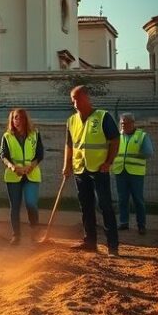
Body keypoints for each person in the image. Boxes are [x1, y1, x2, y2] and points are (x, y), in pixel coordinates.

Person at [62, 85, 120, 256]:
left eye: (77, 98)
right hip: (80, 169)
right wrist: (67, 165)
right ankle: (90, 242)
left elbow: (115, 140)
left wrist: (109, 162)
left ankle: (112, 246)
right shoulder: (71, 121)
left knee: (105, 206)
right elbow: (69, 145)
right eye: (73, 99)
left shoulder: (103, 116)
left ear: (87, 98)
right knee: (86, 206)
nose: (75, 103)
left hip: (99, 169)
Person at [0, 108, 44, 245]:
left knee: (31, 203)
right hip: (14, 175)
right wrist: (13, 167)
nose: (17, 120)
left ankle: (35, 233)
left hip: (31, 173)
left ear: (25, 119)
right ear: (11, 120)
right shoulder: (7, 136)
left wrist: (31, 167)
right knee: (15, 206)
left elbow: (40, 154)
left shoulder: (35, 134)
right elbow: (3, 156)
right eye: (15, 118)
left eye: (20, 118)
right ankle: (16, 235)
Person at [113, 113, 153, 235]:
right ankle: (123, 223)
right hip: (120, 171)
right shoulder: (117, 136)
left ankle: (141, 225)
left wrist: (134, 154)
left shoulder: (142, 136)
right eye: (121, 123)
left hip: (136, 173)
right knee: (122, 199)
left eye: (125, 123)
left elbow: (148, 152)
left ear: (132, 123)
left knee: (138, 200)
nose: (123, 125)